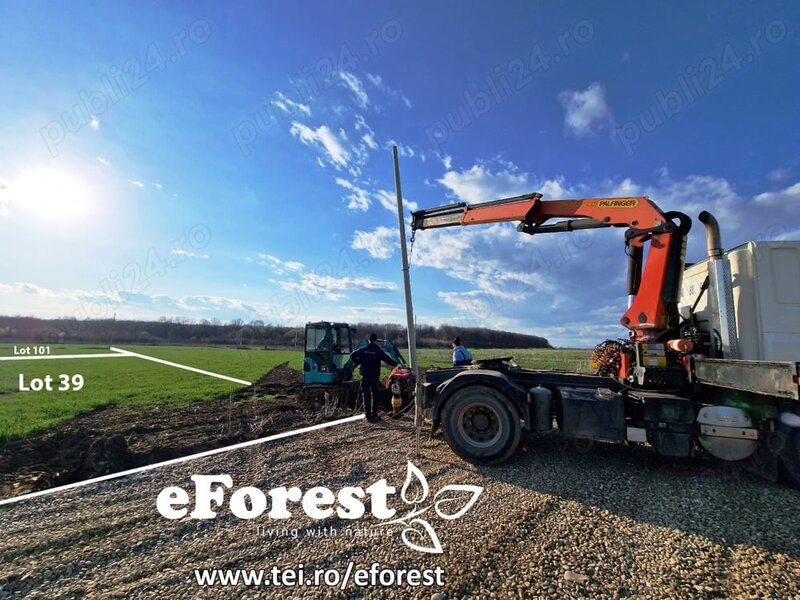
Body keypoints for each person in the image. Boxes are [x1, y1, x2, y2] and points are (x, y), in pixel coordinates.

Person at [349, 333, 397, 422]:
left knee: (366, 396)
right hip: (374, 378)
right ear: (375, 340)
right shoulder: (378, 351)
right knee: (375, 396)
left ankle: (368, 416)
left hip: (365, 377)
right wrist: (395, 364)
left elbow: (352, 355)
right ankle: (374, 415)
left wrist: (359, 362)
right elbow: (387, 359)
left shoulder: (363, 349)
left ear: (369, 340)